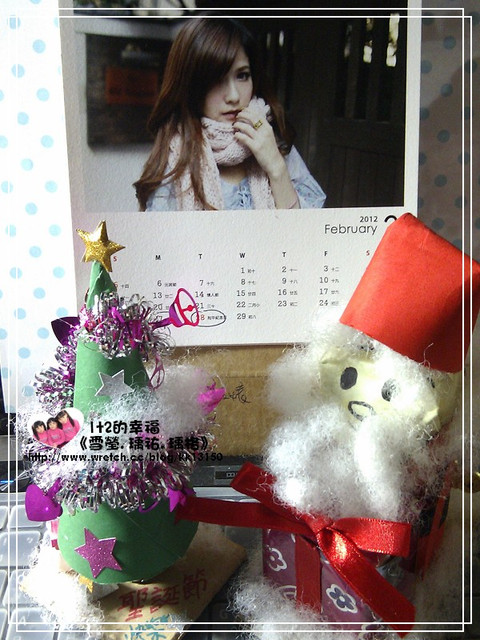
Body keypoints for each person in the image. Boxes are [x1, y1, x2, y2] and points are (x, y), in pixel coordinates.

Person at [134, 18, 326, 211]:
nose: (234, 96)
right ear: (190, 86)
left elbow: (308, 226)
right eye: (216, 80)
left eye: (242, 75)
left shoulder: (270, 139)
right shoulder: (176, 156)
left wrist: (276, 167)